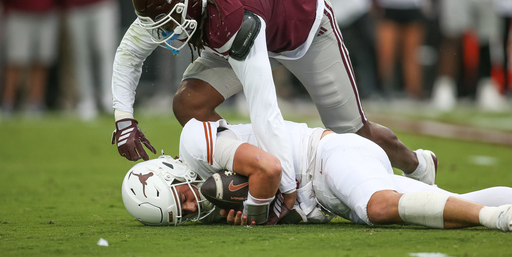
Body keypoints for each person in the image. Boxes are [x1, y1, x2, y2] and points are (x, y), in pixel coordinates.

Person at [111, 0, 437, 212]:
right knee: (190, 105)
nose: (165, 33)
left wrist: (283, 187)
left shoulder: (231, 18)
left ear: (192, 2)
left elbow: (264, 106)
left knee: (352, 137)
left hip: (304, 30)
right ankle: (244, 173)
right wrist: (124, 118)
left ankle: (417, 165)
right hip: (255, 23)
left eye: (169, 23)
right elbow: (129, 53)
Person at [122, 117, 512, 231]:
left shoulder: (194, 142)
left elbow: (270, 168)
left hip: (324, 157)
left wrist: (257, 214)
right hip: (322, 193)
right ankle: (496, 205)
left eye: (183, 199)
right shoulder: (215, 198)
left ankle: (498, 219)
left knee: (378, 208)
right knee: (424, 207)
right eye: (183, 215)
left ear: (170, 171)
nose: (193, 208)